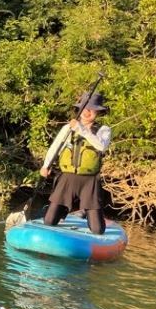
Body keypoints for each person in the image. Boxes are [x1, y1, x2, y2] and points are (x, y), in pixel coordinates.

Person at [39, 92, 111, 235]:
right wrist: (45, 166)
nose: (87, 112)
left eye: (91, 109)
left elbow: (101, 146)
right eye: (85, 108)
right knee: (49, 221)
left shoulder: (104, 130)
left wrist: (81, 130)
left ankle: (84, 211)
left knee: (97, 230)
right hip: (67, 178)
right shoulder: (67, 128)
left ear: (98, 112)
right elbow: (55, 147)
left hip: (89, 181)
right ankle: (65, 210)